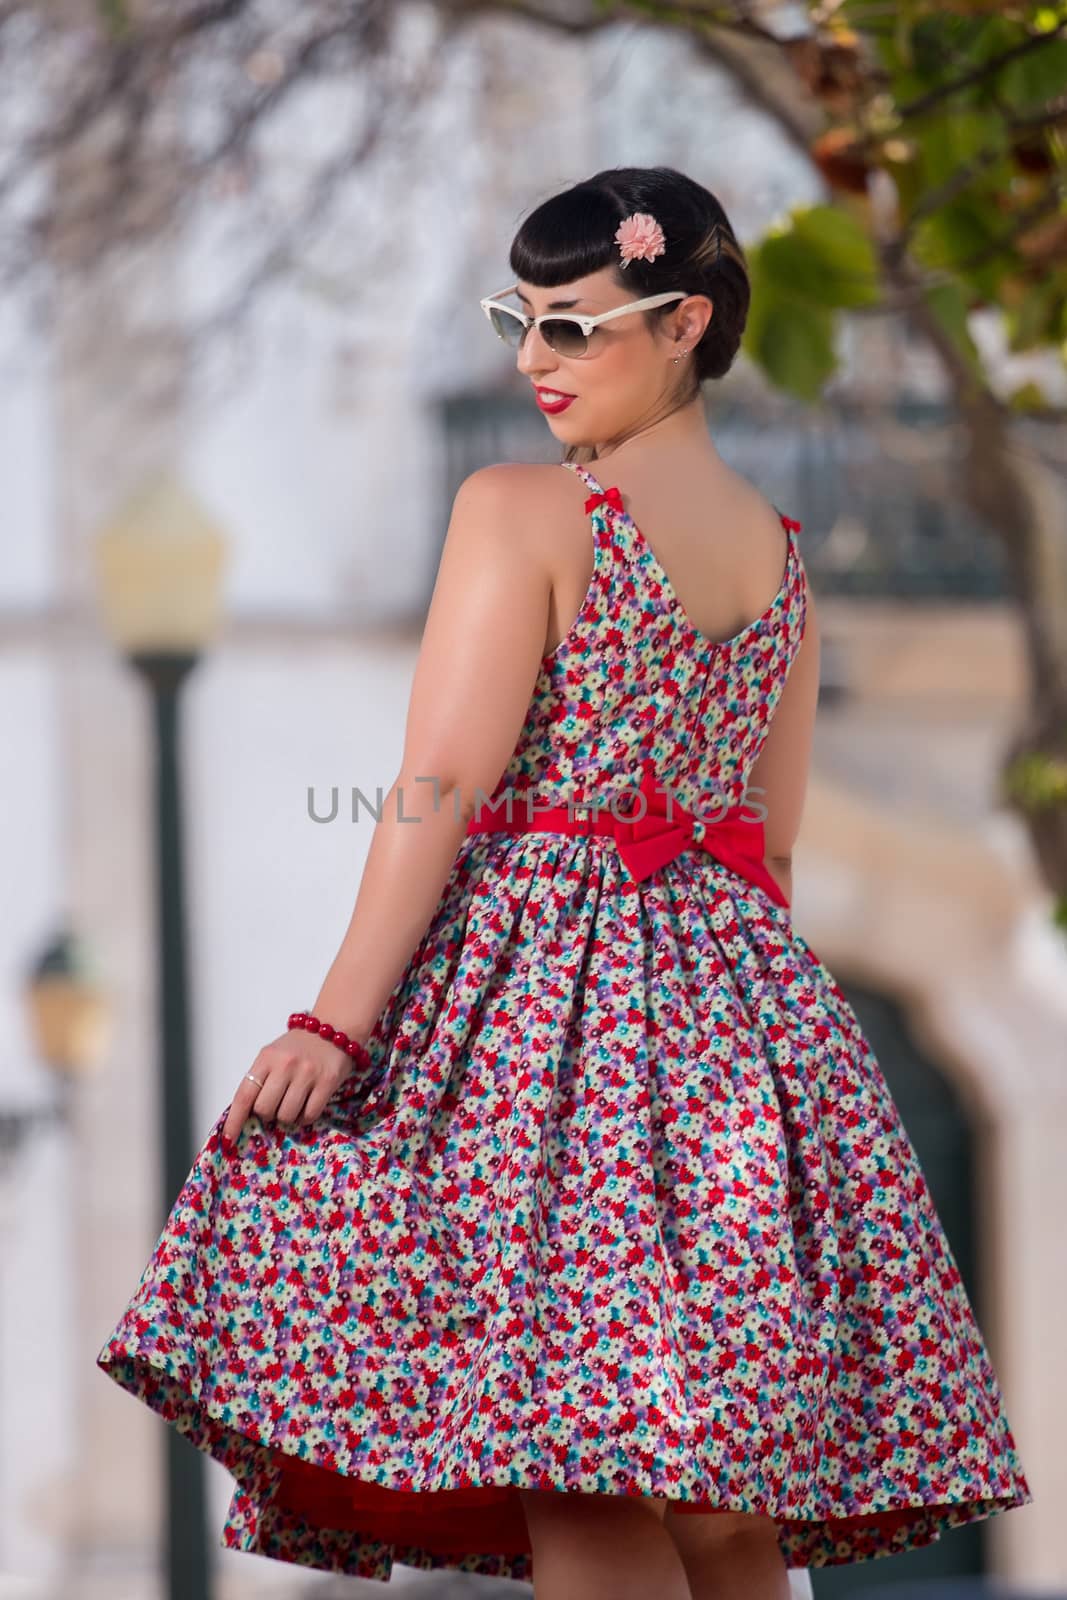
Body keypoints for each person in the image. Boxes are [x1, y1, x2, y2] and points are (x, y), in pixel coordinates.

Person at [96, 165, 1032, 1600]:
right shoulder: (784, 564)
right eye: (519, 322)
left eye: (574, 327)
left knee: (577, 1460)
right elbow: (763, 857)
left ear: (685, 324)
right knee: (723, 1500)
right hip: (746, 1028)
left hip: (554, 1016)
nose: (532, 361)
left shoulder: (525, 511)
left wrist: (336, 1025)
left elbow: (439, 787)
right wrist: (735, 1049)